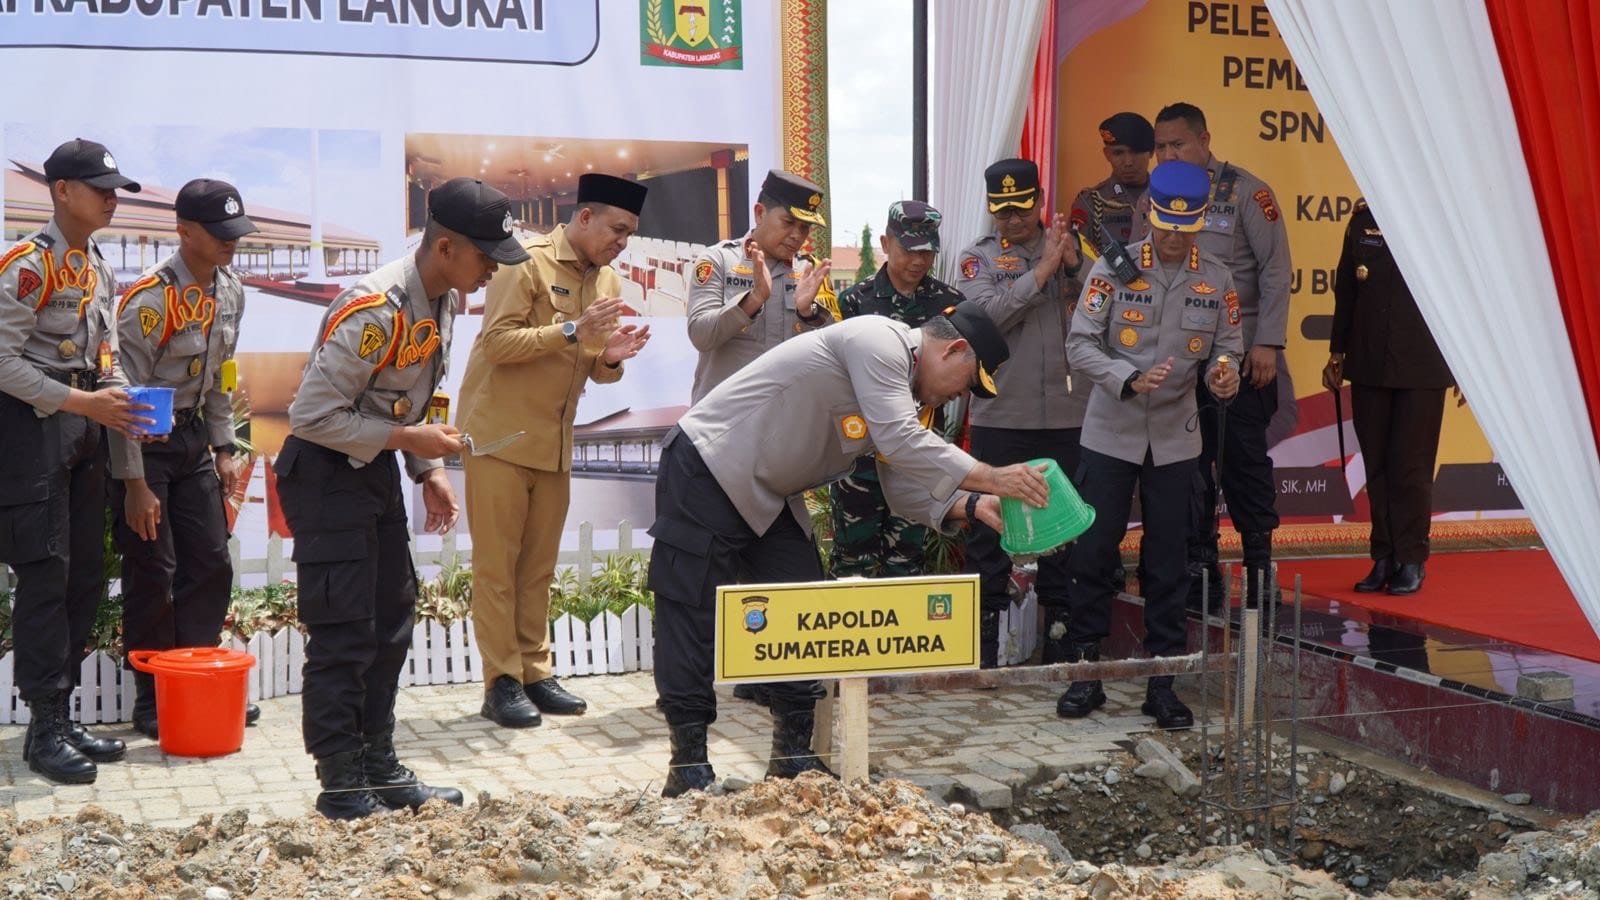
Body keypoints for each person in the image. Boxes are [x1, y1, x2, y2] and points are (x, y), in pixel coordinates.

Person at [649, 304, 1051, 797]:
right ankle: (688, 767)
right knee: (689, 610)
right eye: (967, 382)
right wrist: (993, 474)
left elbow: (902, 488)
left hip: (771, 494)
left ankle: (793, 760)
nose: (961, 396)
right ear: (954, 349)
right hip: (708, 466)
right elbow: (902, 442)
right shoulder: (878, 341)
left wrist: (974, 502)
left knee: (799, 610)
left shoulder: (906, 396)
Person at [275, 177, 528, 819]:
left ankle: (378, 764)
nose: (491, 272)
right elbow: (309, 415)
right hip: (327, 471)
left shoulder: (442, 299)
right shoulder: (375, 307)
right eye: (484, 257)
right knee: (344, 631)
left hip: (375, 469)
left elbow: (414, 395)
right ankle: (339, 781)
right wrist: (403, 437)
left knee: (392, 620)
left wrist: (427, 466)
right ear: (445, 247)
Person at [457, 173, 652, 730]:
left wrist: (609, 356)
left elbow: (595, 368)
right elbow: (496, 343)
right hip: (498, 434)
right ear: (584, 218)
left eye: (631, 233)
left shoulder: (608, 280)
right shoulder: (527, 262)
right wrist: (572, 330)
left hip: (554, 440)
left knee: (538, 568)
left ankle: (536, 673)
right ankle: (502, 682)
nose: (622, 242)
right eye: (617, 228)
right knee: (498, 567)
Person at [1061, 160, 1243, 729]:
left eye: (1183, 229)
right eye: (1164, 225)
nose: (1171, 238)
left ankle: (1162, 683)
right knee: (1092, 553)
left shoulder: (1216, 277)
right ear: (1151, 215)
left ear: (1198, 225)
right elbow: (1079, 345)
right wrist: (1126, 378)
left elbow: (1229, 346)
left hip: (1176, 438)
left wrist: (1223, 372)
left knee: (1169, 563)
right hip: (1110, 432)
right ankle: (1085, 671)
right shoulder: (1112, 270)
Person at [0, 138, 147, 784]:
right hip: (32, 432)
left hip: (84, 430)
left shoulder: (98, 268)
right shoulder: (27, 266)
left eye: (116, 190)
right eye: (100, 188)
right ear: (62, 191)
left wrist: (112, 397)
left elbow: (103, 354)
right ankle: (41, 730)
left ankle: (60, 715)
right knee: (44, 575)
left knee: (84, 573)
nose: (112, 199)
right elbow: (3, 363)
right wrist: (80, 401)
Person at [110, 179, 262, 740]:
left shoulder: (231, 290)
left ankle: (198, 674)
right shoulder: (149, 301)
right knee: (153, 570)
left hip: (195, 440)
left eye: (236, 234)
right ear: (184, 230)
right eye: (220, 235)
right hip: (145, 447)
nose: (231, 244)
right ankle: (152, 695)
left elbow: (222, 374)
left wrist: (225, 445)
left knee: (211, 561)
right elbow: (120, 394)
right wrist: (132, 482)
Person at [1147, 102, 1291, 609]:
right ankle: (1199, 564)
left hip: (1243, 355)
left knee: (1244, 464)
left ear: (1204, 140)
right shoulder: (1156, 195)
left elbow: (1275, 271)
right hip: (1180, 362)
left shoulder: (1248, 192)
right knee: (1188, 466)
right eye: (1160, 147)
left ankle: (1258, 567)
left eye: (1177, 144)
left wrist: (1269, 342)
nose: (1167, 155)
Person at [956, 158, 1090, 666]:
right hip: (1002, 415)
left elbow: (1113, 296)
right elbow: (985, 317)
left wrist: (1072, 263)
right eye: (1002, 211)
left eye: (1021, 209)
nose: (1011, 220)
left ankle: (1058, 643)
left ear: (1039, 200)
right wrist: (1040, 274)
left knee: (1068, 534)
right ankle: (985, 652)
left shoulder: (1070, 245)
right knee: (990, 532)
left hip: (1068, 414)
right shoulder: (978, 257)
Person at [827, 200, 966, 578]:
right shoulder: (856, 301)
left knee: (907, 560)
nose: (918, 261)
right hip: (860, 451)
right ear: (887, 243)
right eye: (909, 249)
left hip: (917, 453)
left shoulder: (951, 305)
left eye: (927, 251)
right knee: (854, 560)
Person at [1324, 199, 1455, 595]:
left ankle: (1412, 558)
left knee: (1410, 468)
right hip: (1368, 361)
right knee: (1377, 466)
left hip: (1422, 364)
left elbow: (1460, 297)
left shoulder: (1442, 222)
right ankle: (1383, 556)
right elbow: (1346, 288)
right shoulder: (1363, 220)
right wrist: (1337, 352)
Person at [687, 169, 833, 403]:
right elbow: (701, 336)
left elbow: (831, 349)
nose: (797, 235)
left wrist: (808, 313)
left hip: (784, 417)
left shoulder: (809, 272)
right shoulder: (719, 260)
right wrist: (753, 300)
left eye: (805, 227)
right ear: (760, 213)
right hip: (723, 416)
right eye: (788, 222)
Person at [1070, 112, 1154, 245]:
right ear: (1107, 154)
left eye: (1136, 152)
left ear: (1151, 152)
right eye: (1118, 153)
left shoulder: (1168, 199)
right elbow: (1080, 260)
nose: (1128, 162)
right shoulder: (1091, 203)